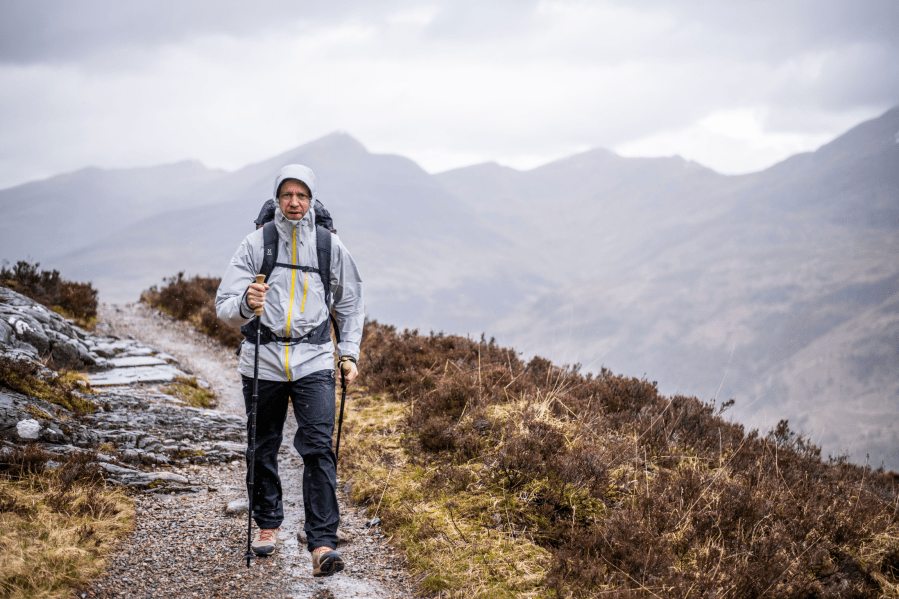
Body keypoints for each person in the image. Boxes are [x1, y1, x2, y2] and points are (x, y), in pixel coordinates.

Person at [215, 164, 364, 577]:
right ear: (277, 199)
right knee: (263, 444)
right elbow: (223, 305)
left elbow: (350, 302)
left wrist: (347, 352)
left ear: (311, 199)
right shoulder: (255, 244)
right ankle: (267, 523)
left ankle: (322, 543)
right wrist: (247, 302)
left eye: (301, 195)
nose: (294, 202)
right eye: (287, 195)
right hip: (262, 359)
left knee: (318, 447)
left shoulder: (328, 246)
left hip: (314, 359)